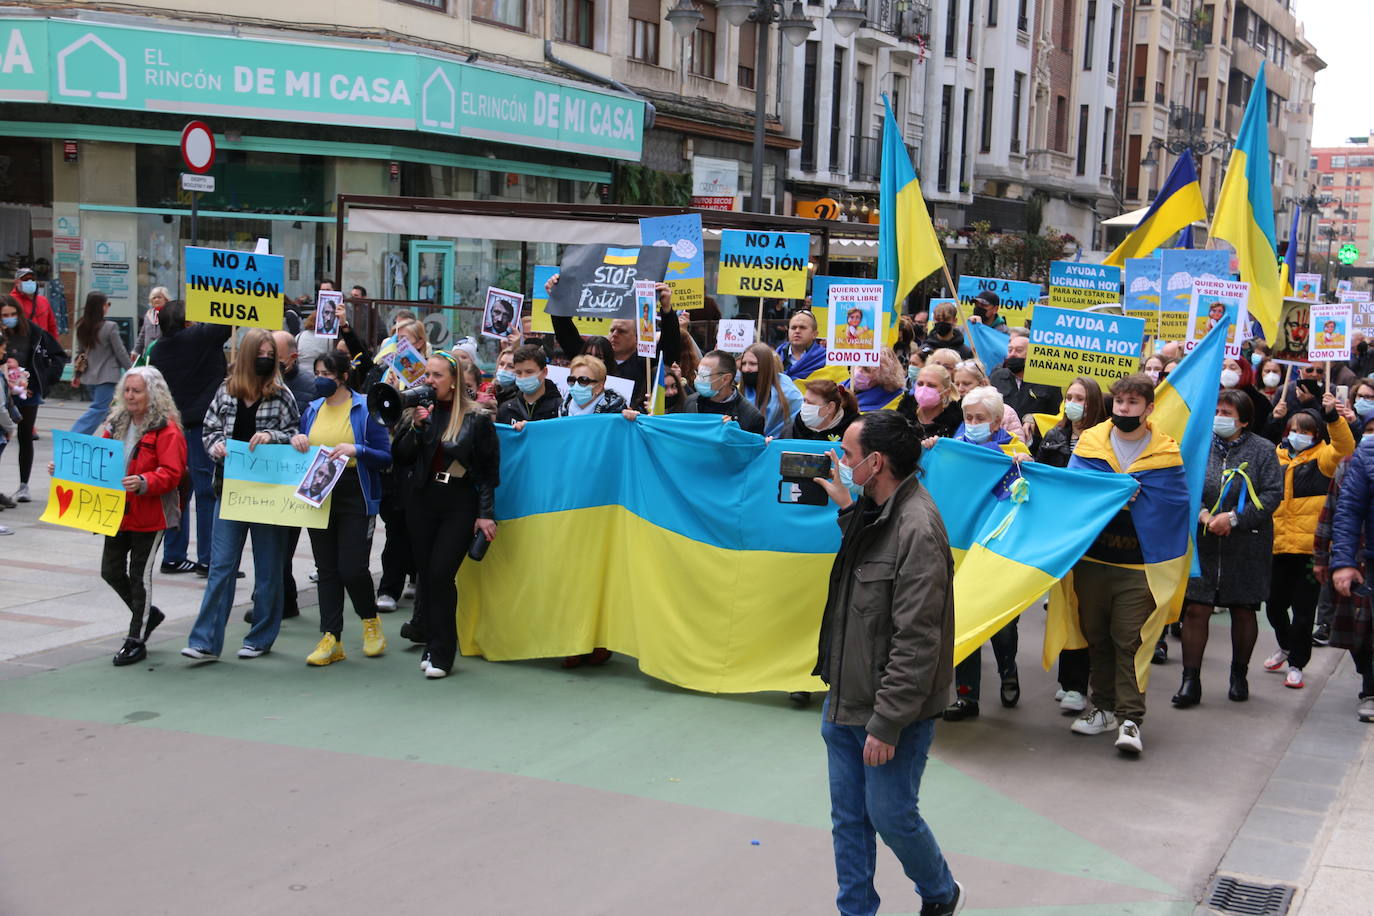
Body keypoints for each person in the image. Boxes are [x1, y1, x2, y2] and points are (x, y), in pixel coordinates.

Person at [810, 410, 964, 916]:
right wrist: (845, 506)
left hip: (891, 711)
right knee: (849, 820)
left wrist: (887, 722)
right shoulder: (876, 509)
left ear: (875, 462)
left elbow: (917, 638)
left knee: (891, 815)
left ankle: (941, 893)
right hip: (845, 699)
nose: (841, 461)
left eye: (848, 454)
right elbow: (871, 562)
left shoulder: (919, 528)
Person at [1065, 374, 1191, 755]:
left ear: (1149, 408)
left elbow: (1175, 504)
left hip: (1139, 567)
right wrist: (1110, 494)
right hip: (1093, 560)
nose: (1124, 408)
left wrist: (1142, 497)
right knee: (1097, 636)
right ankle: (1103, 708)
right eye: (1119, 402)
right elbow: (1073, 491)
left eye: (1133, 403)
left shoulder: (1166, 452)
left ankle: (1131, 718)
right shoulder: (1090, 442)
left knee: (1131, 641)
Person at [181, 328, 301, 662]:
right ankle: (205, 641)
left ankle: (260, 637)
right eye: (260, 354)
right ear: (247, 356)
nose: (265, 359)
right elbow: (209, 430)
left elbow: (295, 434)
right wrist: (216, 446)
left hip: (268, 494)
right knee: (221, 566)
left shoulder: (282, 395)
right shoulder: (226, 390)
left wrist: (272, 436)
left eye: (270, 355)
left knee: (268, 569)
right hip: (231, 489)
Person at [391, 351, 499, 679]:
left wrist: (485, 514)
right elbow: (401, 457)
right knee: (427, 576)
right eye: (428, 374)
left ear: (453, 382)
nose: (430, 380)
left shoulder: (476, 418)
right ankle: (432, 643)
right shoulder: (421, 413)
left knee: (440, 574)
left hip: (459, 502)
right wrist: (417, 428)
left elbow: (488, 471)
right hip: (422, 500)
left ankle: (442, 651)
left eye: (437, 375)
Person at [1173, 390, 1283, 707]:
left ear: (1244, 420)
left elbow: (1272, 494)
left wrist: (1234, 519)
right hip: (1203, 541)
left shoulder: (1263, 450)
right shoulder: (1199, 446)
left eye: (1227, 413)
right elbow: (1184, 485)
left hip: (1246, 543)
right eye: (1217, 411)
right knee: (1196, 609)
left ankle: (1239, 674)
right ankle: (1190, 681)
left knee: (1243, 610)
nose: (1219, 417)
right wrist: (1203, 515)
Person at [290, 351, 393, 666]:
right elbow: (301, 445)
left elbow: (385, 456)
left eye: (327, 374)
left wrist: (357, 449)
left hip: (355, 493)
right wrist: (298, 440)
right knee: (327, 569)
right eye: (317, 373)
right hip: (320, 492)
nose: (320, 379)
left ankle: (370, 620)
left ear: (344, 376)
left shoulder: (364, 408)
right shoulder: (311, 409)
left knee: (352, 567)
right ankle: (331, 637)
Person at [943, 386, 1027, 723]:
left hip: (998, 548)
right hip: (961, 547)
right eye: (968, 417)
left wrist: (1027, 465)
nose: (973, 423)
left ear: (996, 422)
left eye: (980, 418)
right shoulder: (953, 448)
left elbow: (1030, 490)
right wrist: (933, 449)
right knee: (963, 617)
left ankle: (1008, 670)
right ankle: (967, 696)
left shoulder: (1014, 450)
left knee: (1002, 623)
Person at [93, 367, 186, 666]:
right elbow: (96, 458)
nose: (130, 396)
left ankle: (136, 638)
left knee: (139, 576)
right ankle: (147, 614)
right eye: (127, 390)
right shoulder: (115, 423)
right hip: (118, 511)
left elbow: (172, 473)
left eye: (136, 390)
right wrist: (65, 470)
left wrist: (146, 481)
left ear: (153, 394)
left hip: (151, 514)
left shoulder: (166, 429)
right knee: (110, 571)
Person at [1263, 392, 1356, 688]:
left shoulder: (1324, 458)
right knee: (1274, 606)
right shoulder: (1275, 456)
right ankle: (1287, 645)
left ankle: (1296, 664)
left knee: (1303, 613)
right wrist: (1273, 420)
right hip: (1277, 547)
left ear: (1316, 433)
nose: (1297, 435)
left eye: (1305, 431)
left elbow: (1345, 446)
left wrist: (1333, 417)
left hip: (1310, 552)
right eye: (1292, 430)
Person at [1036, 377, 1107, 711]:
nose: (1072, 403)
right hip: (1059, 532)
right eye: (1069, 397)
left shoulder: (1104, 440)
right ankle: (1069, 681)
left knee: (1084, 610)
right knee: (1064, 608)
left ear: (1094, 404)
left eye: (1080, 398)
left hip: (1091, 536)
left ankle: (1080, 683)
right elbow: (1041, 474)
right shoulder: (1054, 435)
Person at [148, 300, 231, 575]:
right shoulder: (198, 337)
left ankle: (173, 556)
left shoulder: (158, 348)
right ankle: (208, 558)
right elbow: (226, 320)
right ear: (187, 322)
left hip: (172, 428)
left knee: (177, 490)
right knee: (207, 493)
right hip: (200, 427)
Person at [547, 276, 681, 408]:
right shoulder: (593, 358)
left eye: (622, 331)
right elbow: (567, 336)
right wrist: (558, 301)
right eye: (612, 330)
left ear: (636, 338)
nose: (615, 335)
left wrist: (667, 310)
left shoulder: (646, 363)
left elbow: (670, 347)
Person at [1321, 415, 1374, 722]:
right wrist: (1342, 562)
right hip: (1368, 557)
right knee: (1364, 629)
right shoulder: (1363, 457)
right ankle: (1371, 687)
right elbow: (1348, 511)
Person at [1, 295, 66, 503]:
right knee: (2, 438)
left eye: (13, 314)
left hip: (27, 392)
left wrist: (43, 382)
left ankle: (23, 486)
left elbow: (58, 355)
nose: (9, 318)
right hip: (2, 391)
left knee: (25, 436)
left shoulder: (33, 331)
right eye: (4, 315)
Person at [71, 291, 132, 436]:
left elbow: (80, 353)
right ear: (101, 307)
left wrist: (77, 375)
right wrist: (132, 371)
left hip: (89, 377)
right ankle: (75, 436)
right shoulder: (110, 327)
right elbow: (120, 352)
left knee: (109, 411)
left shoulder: (82, 326)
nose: (108, 307)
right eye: (107, 304)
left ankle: (118, 438)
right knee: (99, 409)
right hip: (108, 376)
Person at [682, 350, 765, 433]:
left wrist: (735, 434)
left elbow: (750, 441)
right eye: (698, 374)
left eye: (704, 376)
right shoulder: (691, 403)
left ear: (725, 379)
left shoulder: (750, 416)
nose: (698, 379)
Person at [989, 333, 1061, 421]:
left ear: (1032, 354)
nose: (1012, 354)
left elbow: (1054, 417)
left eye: (1019, 350)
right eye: (1010, 350)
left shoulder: (1048, 381)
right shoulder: (997, 377)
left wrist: (1034, 420)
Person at [952, 360, 1026, 443]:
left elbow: (1016, 445)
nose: (960, 389)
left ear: (982, 383)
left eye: (966, 384)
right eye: (957, 384)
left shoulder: (1006, 412)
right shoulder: (952, 411)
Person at [740, 342, 802, 438]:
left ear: (766, 366)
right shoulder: (741, 391)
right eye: (743, 364)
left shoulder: (789, 394)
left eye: (752, 364)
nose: (746, 369)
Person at [496, 343, 562, 424]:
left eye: (529, 372)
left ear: (544, 372)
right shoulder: (506, 409)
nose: (523, 377)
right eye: (518, 372)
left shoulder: (560, 409)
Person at [781, 379, 858, 442]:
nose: (805, 406)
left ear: (830, 407)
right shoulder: (792, 430)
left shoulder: (856, 430)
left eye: (810, 403)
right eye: (804, 401)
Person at [911, 364, 965, 444]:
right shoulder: (903, 416)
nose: (924, 389)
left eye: (931, 386)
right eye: (920, 384)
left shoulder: (956, 424)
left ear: (946, 392)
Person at [1219, 357, 1271, 435]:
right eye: (1223, 368)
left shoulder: (1258, 400)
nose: (1227, 371)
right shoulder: (1213, 395)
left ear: (1244, 371)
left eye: (1232, 368)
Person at [775, 310, 828, 380]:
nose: (797, 331)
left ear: (814, 334)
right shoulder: (775, 357)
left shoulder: (825, 359)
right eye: (793, 328)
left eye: (802, 327)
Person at [10, 268, 57, 338]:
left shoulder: (43, 301)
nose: (30, 281)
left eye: (32, 279)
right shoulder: (10, 301)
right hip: (22, 342)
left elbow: (52, 326)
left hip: (42, 342)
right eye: (25, 279)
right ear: (17, 282)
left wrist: (53, 343)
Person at [131, 286, 170, 360]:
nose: (156, 299)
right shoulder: (148, 315)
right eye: (154, 298)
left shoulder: (171, 314)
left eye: (159, 297)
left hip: (165, 354)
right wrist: (135, 351)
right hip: (148, 355)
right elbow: (142, 335)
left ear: (166, 299)